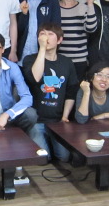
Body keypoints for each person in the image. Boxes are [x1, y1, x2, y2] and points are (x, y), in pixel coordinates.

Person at [22, 23, 79, 161]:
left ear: (59, 40)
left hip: (57, 122)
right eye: (42, 34)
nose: (45, 37)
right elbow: (35, 78)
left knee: (64, 157)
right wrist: (42, 49)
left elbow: (71, 92)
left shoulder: (67, 62)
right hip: (37, 121)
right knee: (43, 159)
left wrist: (65, 116)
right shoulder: (29, 59)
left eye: (50, 34)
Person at [16, 0, 61, 65]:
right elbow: (19, 30)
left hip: (43, 53)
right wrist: (24, 14)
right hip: (23, 54)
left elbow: (56, 28)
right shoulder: (22, 1)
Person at [57, 0, 97, 80]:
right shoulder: (55, 8)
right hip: (59, 59)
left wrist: (90, 4)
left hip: (79, 60)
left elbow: (91, 28)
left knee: (77, 89)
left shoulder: (84, 8)